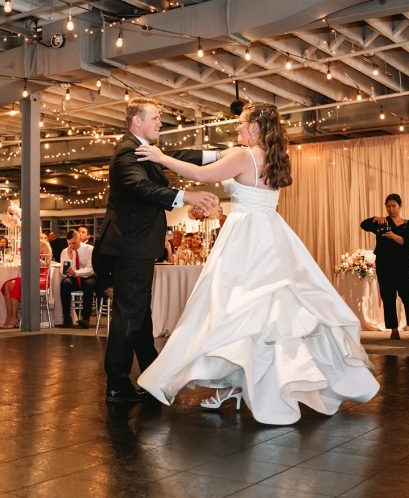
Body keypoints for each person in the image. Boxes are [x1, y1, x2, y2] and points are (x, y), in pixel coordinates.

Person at [136, 103, 379, 424]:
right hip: (272, 233)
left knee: (233, 309)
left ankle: (247, 384)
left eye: (240, 124)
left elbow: (200, 174)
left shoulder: (243, 155)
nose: (236, 129)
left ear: (254, 128)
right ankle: (245, 385)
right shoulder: (275, 158)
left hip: (246, 234)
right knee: (264, 311)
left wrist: (159, 157)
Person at [94, 97, 220, 404]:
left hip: (134, 245)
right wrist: (186, 196)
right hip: (130, 245)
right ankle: (117, 384)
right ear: (136, 121)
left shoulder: (140, 148)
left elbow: (174, 155)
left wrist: (220, 154)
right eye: (155, 117)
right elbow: (141, 187)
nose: (160, 122)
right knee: (129, 313)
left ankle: (152, 374)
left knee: (139, 312)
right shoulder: (126, 151)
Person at [360, 194, 409, 340]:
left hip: (402, 265)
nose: (391, 209)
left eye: (394, 206)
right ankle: (393, 329)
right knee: (388, 297)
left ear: (400, 206)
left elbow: (407, 242)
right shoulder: (382, 222)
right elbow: (364, 225)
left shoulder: (408, 224)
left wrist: (393, 235)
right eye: (388, 206)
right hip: (384, 264)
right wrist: (374, 218)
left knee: (408, 296)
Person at [0, 233, 53, 329]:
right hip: (28, 276)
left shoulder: (45, 245)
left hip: (40, 277)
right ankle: (9, 317)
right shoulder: (26, 245)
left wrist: (36, 259)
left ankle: (14, 317)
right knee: (7, 284)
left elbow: (47, 264)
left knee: (17, 284)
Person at [58, 230, 97, 329]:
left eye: (74, 243)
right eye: (69, 243)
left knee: (89, 284)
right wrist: (70, 258)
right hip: (74, 278)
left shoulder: (89, 249)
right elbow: (63, 271)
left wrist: (77, 272)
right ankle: (67, 318)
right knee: (65, 283)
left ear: (79, 239)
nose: (71, 245)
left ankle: (86, 318)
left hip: (87, 276)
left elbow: (91, 269)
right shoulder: (65, 251)